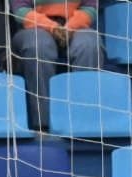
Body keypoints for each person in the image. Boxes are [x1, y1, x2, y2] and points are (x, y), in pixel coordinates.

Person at [11, 0, 101, 130]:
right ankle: (44, 124)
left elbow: (90, 7)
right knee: (38, 46)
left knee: (89, 46)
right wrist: (53, 28)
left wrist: (70, 27)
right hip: (33, 27)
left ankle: (85, 121)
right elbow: (21, 10)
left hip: (76, 25)